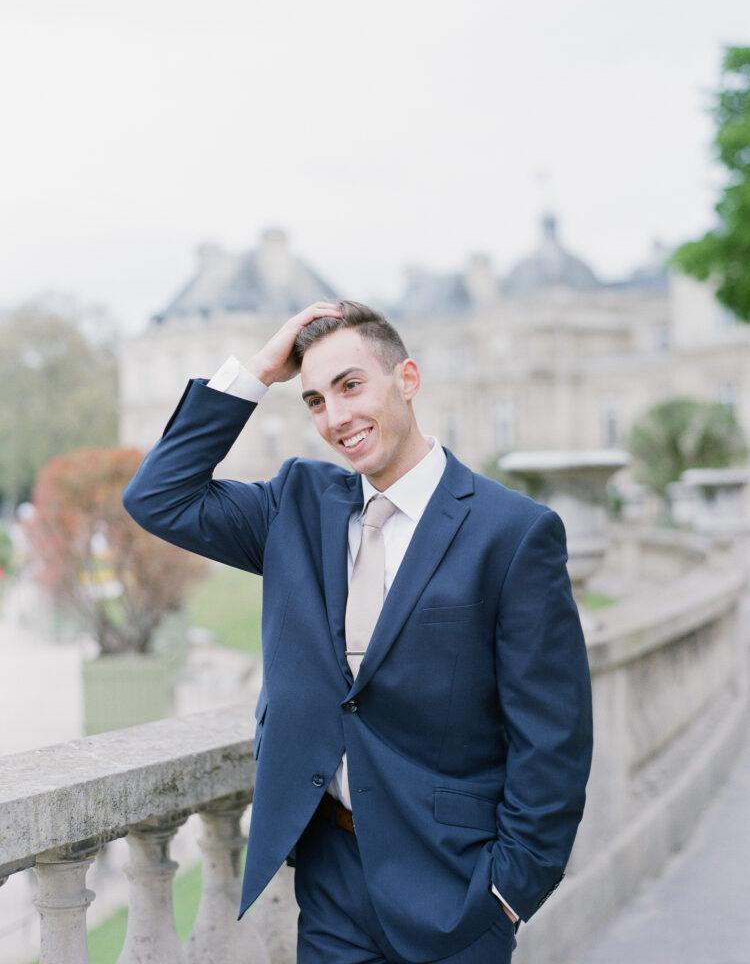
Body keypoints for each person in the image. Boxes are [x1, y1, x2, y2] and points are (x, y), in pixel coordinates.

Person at [123, 299, 593, 964]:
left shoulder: (513, 533)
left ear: (407, 379)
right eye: (315, 400)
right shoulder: (297, 505)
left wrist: (509, 891)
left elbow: (554, 735)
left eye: (351, 386)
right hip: (332, 877)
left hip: (456, 883)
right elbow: (158, 496)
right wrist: (259, 370)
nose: (336, 417)